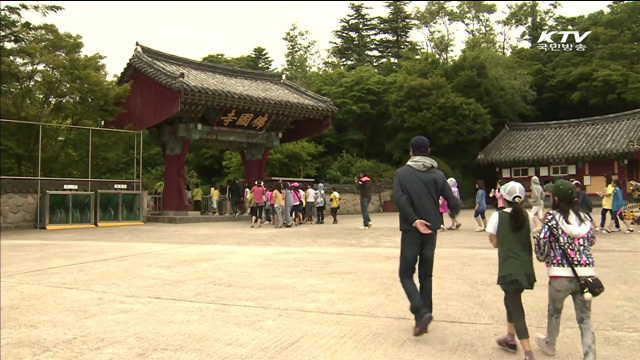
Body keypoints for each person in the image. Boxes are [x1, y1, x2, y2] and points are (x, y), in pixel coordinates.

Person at [393, 135, 460, 337]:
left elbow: (399, 199)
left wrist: (414, 220)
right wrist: (447, 212)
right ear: (428, 151)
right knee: (426, 275)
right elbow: (454, 203)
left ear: (411, 152)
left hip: (411, 230)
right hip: (431, 230)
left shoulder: (401, 174)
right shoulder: (438, 175)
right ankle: (425, 317)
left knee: (406, 274)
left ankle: (420, 313)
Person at [533, 179, 596, 360]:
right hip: (585, 274)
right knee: (585, 319)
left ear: (556, 199)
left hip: (559, 274)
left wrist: (537, 234)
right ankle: (589, 355)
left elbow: (542, 251)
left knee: (555, 313)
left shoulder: (551, 219)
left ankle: (550, 344)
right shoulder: (586, 219)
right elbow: (591, 241)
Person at [486, 181, 537, 360]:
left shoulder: (497, 216)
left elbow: (494, 242)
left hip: (508, 269)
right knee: (510, 299)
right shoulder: (528, 216)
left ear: (504, 199)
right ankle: (509, 336)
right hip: (526, 269)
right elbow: (534, 232)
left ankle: (528, 352)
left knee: (516, 308)